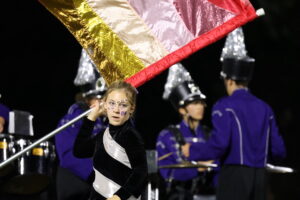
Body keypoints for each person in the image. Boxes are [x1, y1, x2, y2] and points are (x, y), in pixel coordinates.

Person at [185, 28, 286, 200]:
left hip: (234, 177)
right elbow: (279, 151)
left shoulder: (224, 106)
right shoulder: (265, 108)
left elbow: (220, 144)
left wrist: (192, 150)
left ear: (229, 80)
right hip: (260, 178)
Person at [74, 80, 148, 200]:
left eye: (123, 105)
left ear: (131, 108)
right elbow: (79, 151)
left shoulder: (130, 135)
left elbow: (141, 172)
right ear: (105, 105)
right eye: (112, 103)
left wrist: (119, 196)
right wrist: (91, 118)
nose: (116, 110)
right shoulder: (103, 135)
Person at [156, 63, 218, 200]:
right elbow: (168, 172)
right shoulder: (167, 135)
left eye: (201, 102)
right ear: (182, 109)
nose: (200, 107)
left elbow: (220, 164)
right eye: (195, 103)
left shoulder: (210, 134)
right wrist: (201, 167)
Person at [55, 49, 108, 200]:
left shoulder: (109, 123)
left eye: (104, 98)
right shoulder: (70, 121)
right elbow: (68, 157)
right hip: (78, 189)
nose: (102, 104)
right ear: (87, 99)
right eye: (97, 100)